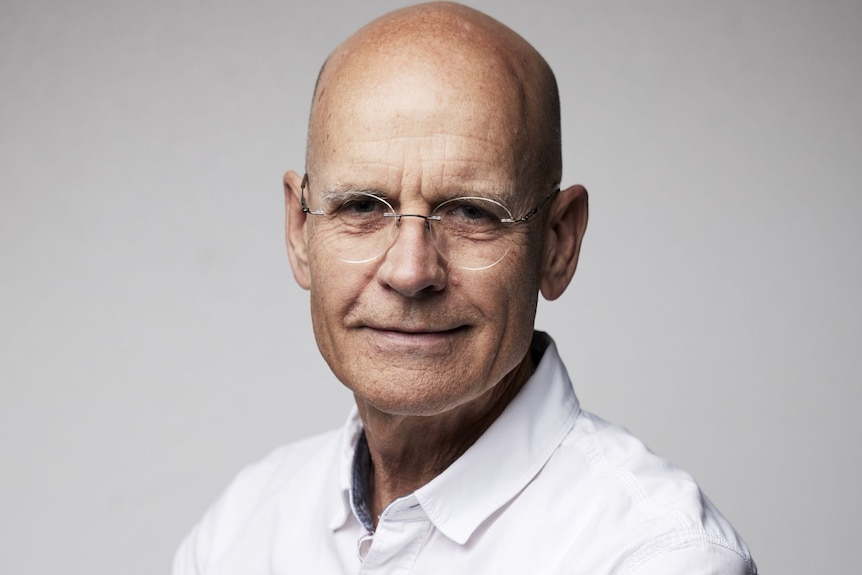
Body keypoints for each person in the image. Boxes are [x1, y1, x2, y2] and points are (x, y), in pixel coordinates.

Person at [173, 2, 756, 573]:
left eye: (473, 214)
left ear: (558, 243)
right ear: (300, 231)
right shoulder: (241, 530)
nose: (409, 271)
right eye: (360, 206)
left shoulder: (660, 557)